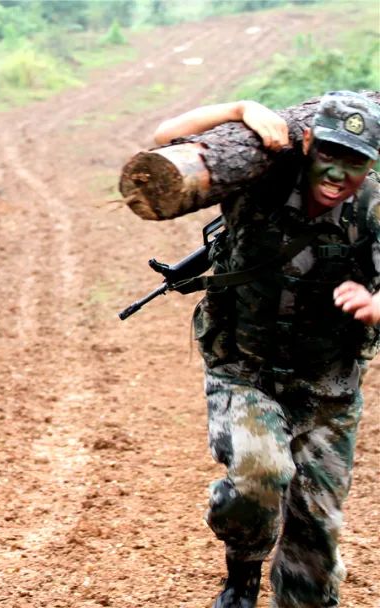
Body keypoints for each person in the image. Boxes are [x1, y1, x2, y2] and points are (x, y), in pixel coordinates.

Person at [153, 91, 380, 608]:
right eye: (329, 154)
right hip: (244, 369)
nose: (337, 173)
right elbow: (165, 143)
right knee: (260, 473)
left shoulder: (373, 208)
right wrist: (239, 110)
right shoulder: (259, 176)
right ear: (308, 144)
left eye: (355, 161)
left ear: (369, 166)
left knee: (313, 558)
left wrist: (374, 304)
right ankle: (242, 576)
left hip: (328, 390)